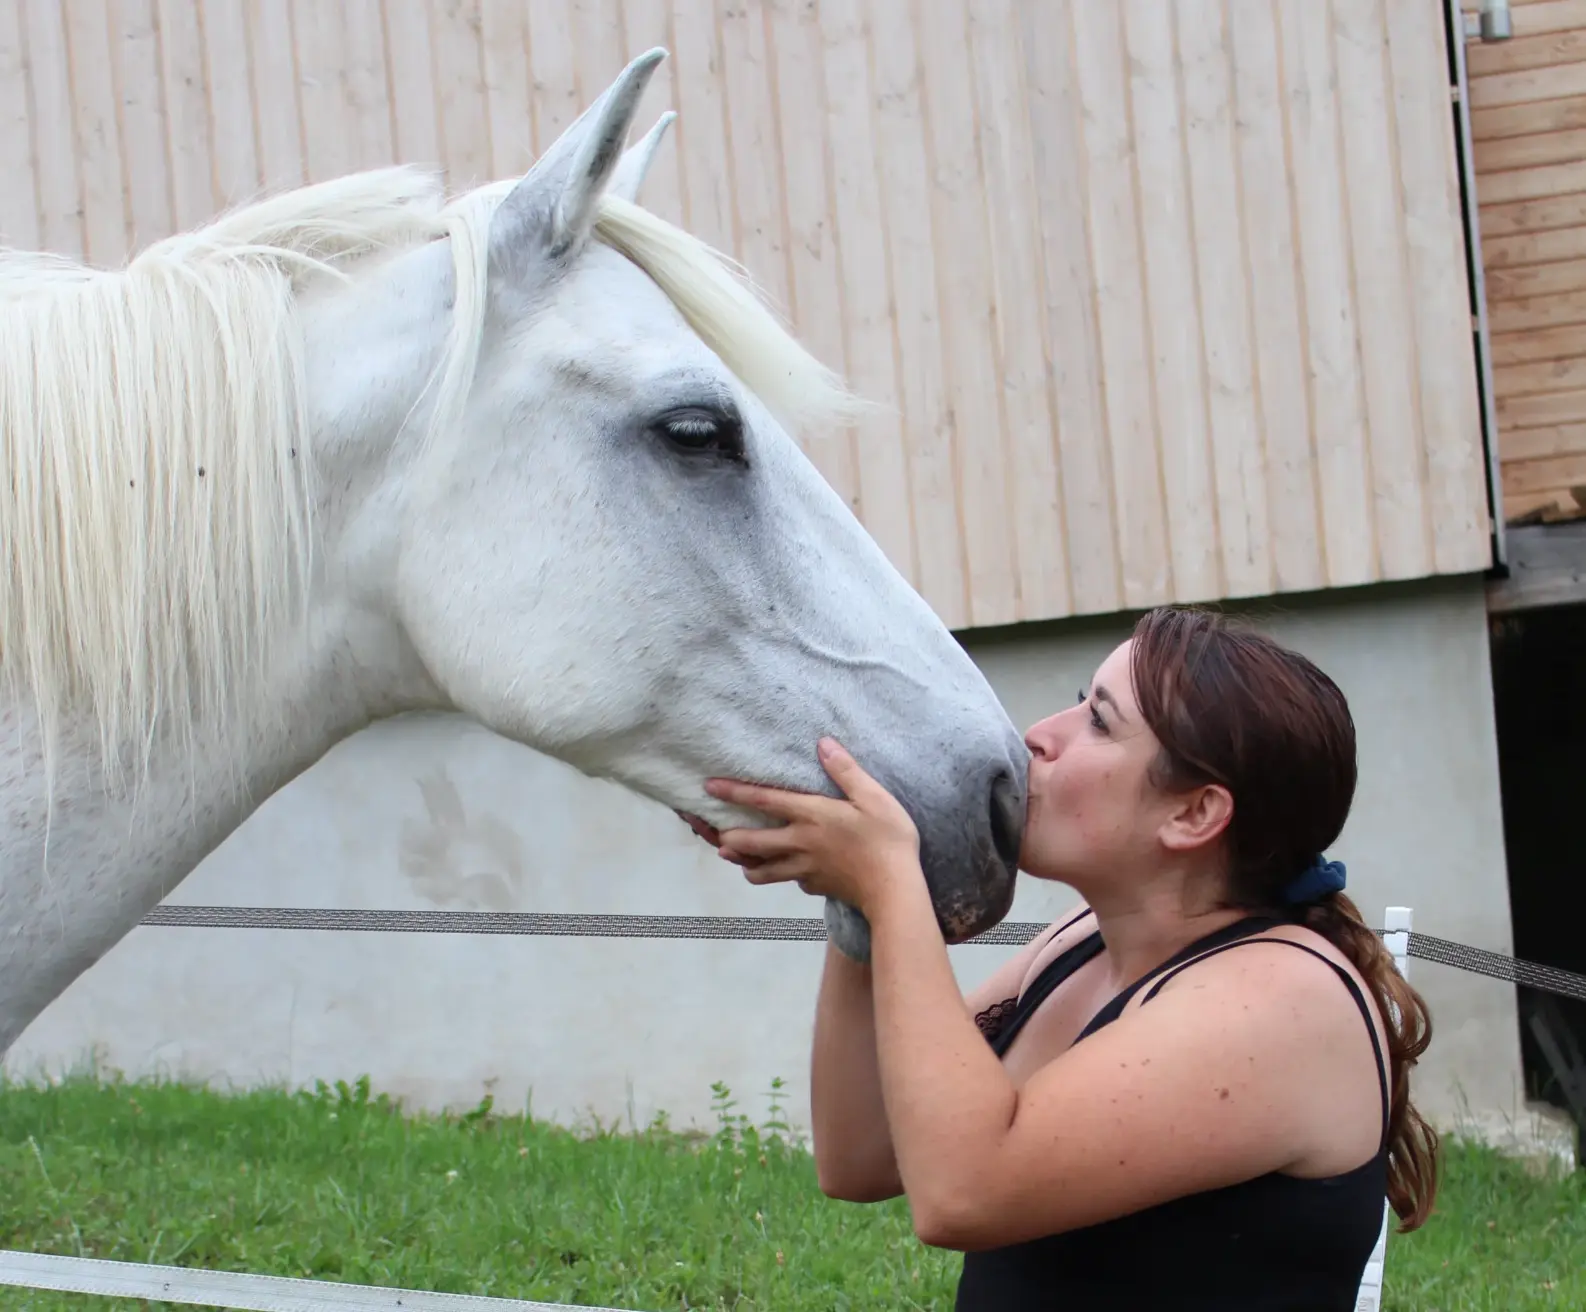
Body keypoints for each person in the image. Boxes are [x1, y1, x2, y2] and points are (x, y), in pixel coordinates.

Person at [702, 605, 1438, 1310]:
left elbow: (962, 1194)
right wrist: (860, 897)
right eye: (1078, 700)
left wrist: (891, 885)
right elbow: (861, 1155)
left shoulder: (1282, 999)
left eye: (1099, 721)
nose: (1038, 737)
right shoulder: (1082, 940)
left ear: (1194, 814)